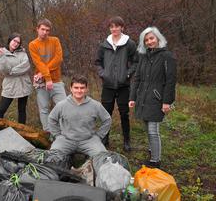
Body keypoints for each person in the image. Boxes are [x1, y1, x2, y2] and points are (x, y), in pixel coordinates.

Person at [129, 26, 177, 168]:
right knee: (146, 126)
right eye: (146, 40)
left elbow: (171, 80)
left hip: (157, 99)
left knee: (153, 130)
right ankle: (152, 151)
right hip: (143, 97)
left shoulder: (167, 56)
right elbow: (137, 78)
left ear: (158, 38)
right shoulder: (143, 57)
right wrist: (133, 97)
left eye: (151, 38)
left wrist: (167, 101)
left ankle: (156, 161)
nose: (149, 42)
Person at [94, 16, 137, 151]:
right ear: (110, 28)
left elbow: (136, 62)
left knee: (124, 113)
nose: (114, 29)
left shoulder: (129, 44)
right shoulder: (104, 44)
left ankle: (126, 141)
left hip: (124, 85)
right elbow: (97, 62)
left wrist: (128, 74)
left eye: (117, 26)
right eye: (112, 26)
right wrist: (103, 74)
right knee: (106, 114)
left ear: (122, 27)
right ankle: (105, 139)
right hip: (108, 86)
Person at [48, 75, 111, 157]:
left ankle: (88, 168)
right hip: (66, 140)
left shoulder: (95, 105)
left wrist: (98, 136)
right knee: (52, 157)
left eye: (82, 88)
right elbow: (51, 119)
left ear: (86, 89)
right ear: (71, 88)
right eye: (76, 88)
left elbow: (107, 120)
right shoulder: (62, 105)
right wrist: (57, 135)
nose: (79, 90)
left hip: (89, 140)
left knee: (102, 157)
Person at [29, 18, 66, 131]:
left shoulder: (55, 40)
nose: (45, 32)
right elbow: (38, 63)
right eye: (43, 29)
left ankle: (64, 131)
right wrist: (47, 78)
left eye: (47, 30)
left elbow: (58, 59)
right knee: (44, 109)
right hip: (42, 83)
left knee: (63, 107)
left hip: (56, 81)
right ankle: (48, 133)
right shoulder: (33, 44)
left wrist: (44, 74)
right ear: (37, 29)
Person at [0, 33, 32, 124]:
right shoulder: (1, 52)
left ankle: (21, 132)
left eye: (18, 42)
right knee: (1, 110)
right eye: (14, 41)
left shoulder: (22, 53)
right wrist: (1, 56)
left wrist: (11, 72)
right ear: (10, 40)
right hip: (10, 85)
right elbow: (3, 70)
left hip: (23, 84)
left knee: (22, 110)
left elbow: (26, 66)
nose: (16, 43)